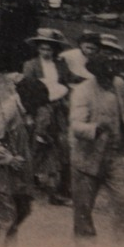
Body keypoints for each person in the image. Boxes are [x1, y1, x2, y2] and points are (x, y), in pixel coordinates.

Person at [70, 48, 124, 243]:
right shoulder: (82, 91)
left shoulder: (119, 84)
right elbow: (76, 125)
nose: (110, 78)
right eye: (105, 74)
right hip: (87, 159)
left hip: (113, 155)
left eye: (113, 73)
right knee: (83, 209)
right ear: (96, 73)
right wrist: (94, 128)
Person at [0, 75, 51, 247]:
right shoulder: (8, 111)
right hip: (0, 173)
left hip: (19, 171)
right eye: (37, 104)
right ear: (27, 100)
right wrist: (8, 158)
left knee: (24, 209)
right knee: (7, 219)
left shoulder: (27, 110)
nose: (39, 108)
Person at [21, 27, 77, 206]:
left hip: (60, 109)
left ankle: (60, 189)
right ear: (38, 49)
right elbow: (26, 92)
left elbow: (69, 81)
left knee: (62, 147)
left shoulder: (60, 65)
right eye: (43, 48)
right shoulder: (31, 65)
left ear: (55, 50)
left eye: (49, 49)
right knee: (38, 145)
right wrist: (29, 114)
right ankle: (29, 181)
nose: (46, 52)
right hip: (40, 109)